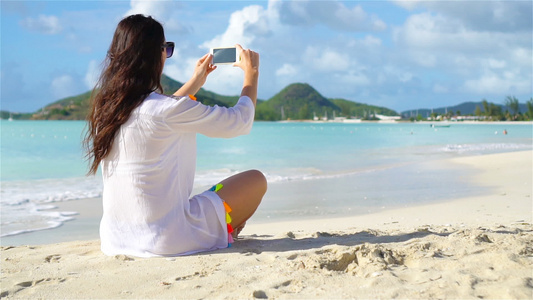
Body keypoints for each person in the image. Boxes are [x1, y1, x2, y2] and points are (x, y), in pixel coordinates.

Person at [84, 14, 266, 257]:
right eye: (166, 48)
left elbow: (159, 113)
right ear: (155, 54)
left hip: (114, 241)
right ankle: (223, 232)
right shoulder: (167, 110)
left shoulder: (105, 110)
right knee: (255, 180)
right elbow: (240, 122)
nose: (166, 55)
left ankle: (222, 230)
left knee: (215, 197)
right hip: (167, 239)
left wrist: (196, 81)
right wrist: (251, 75)